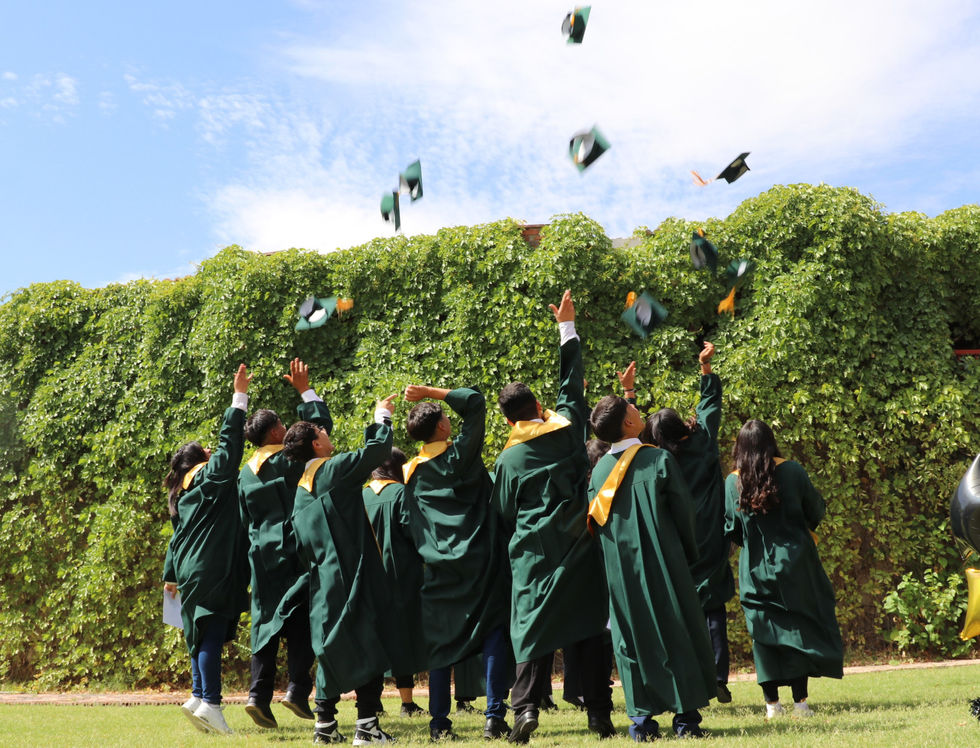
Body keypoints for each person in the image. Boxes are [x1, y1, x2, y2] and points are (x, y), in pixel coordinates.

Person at [492, 290, 614, 744]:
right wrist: (567, 327)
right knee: (588, 629)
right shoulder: (569, 430)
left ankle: (525, 708)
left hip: (534, 554)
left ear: (509, 421)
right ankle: (599, 715)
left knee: (530, 628)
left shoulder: (507, 461)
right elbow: (572, 384)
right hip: (579, 544)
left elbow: (504, 512)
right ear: (537, 406)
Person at [588, 384, 717, 741]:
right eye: (631, 409)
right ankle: (686, 721)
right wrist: (687, 554)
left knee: (631, 640)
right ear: (629, 423)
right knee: (676, 632)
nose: (636, 410)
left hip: (620, 573)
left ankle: (642, 724)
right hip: (664, 565)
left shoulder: (598, 473)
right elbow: (684, 515)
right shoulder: (659, 460)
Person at [284, 393, 399, 745]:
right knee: (370, 643)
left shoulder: (300, 492)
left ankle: (325, 725)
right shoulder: (332, 470)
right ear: (316, 444)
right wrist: (382, 416)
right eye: (322, 430)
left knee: (328, 649)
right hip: (356, 575)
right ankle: (367, 726)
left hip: (323, 582)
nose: (326, 432)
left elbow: (299, 545)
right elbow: (376, 452)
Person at [401, 384, 512, 741]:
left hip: (439, 569)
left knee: (440, 645)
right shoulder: (460, 455)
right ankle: (494, 717)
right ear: (443, 427)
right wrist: (430, 392)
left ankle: (439, 724)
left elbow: (407, 523)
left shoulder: (411, 474)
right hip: (482, 563)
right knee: (493, 632)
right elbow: (475, 403)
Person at [724, 419, 844, 719]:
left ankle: (772, 705)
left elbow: (732, 529)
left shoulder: (732, 482)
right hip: (796, 564)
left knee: (763, 636)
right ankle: (800, 704)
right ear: (771, 442)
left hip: (755, 569)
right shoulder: (792, 471)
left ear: (739, 447)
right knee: (796, 630)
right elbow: (815, 509)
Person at [237, 358, 331, 728]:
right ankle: (296, 689)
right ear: (277, 432)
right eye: (281, 424)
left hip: (261, 554)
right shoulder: (290, 461)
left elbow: (244, 519)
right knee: (302, 619)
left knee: (264, 622)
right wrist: (306, 392)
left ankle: (257, 696)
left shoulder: (245, 473)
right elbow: (318, 433)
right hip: (295, 550)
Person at [641, 342, 736, 703]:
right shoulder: (704, 441)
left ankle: (688, 674)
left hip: (678, 538)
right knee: (712, 607)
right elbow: (710, 405)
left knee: (681, 607)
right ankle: (718, 677)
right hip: (711, 533)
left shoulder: (658, 460)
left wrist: (629, 394)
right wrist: (705, 368)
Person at [163, 363, 251, 735]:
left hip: (189, 569)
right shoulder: (207, 480)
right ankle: (211, 703)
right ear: (199, 460)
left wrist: (170, 575)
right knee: (211, 633)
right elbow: (229, 452)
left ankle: (199, 697)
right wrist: (239, 399)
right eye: (205, 450)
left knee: (199, 633)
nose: (212, 451)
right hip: (210, 568)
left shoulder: (182, 493)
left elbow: (176, 540)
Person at [360, 447, 428, 718]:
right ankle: (407, 703)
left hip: (368, 580)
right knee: (402, 638)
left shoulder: (360, 495)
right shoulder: (400, 493)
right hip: (401, 578)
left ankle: (372, 702)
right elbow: (415, 533)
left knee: (373, 639)